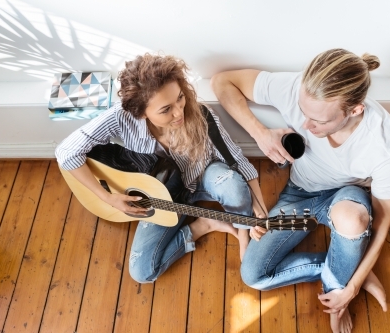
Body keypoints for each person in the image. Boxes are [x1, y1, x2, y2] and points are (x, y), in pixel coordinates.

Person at [211, 48, 390, 333]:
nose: (305, 125)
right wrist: (259, 132)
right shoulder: (297, 88)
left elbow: (380, 227)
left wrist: (348, 290)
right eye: (304, 113)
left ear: (355, 110)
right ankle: (343, 267)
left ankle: (337, 286)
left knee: (352, 221)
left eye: (319, 121)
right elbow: (221, 82)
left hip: (346, 196)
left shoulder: (388, 148)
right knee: (254, 275)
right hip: (299, 194)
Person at [56, 53, 267, 284]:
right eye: (166, 109)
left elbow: (238, 161)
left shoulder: (200, 115)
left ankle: (242, 234)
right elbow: (66, 152)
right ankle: (202, 226)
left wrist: (259, 211)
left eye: (180, 98)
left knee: (233, 185)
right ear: (140, 112)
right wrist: (107, 198)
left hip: (202, 177)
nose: (179, 112)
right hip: (162, 195)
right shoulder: (120, 117)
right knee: (142, 272)